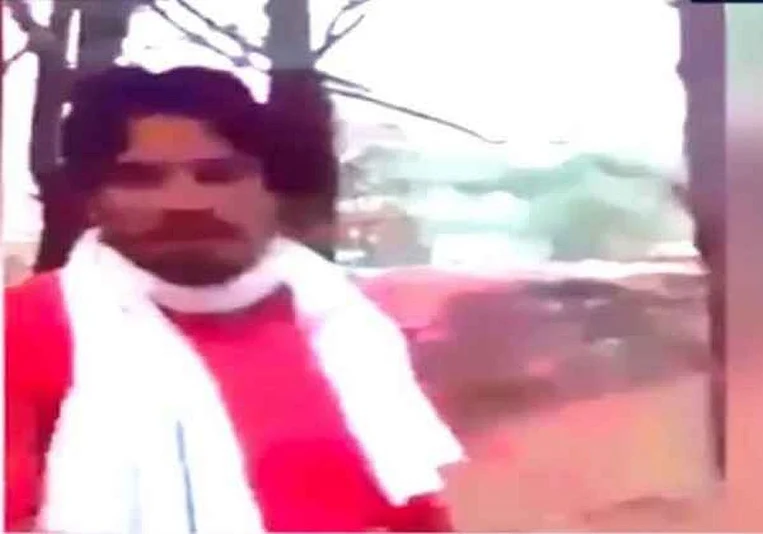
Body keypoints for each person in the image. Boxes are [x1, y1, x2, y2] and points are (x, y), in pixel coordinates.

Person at [5, 66, 463, 533]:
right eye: (139, 179)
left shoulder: (343, 324)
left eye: (219, 174)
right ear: (91, 200)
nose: (186, 203)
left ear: (273, 191)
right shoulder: (26, 328)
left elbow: (412, 505)